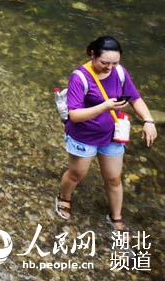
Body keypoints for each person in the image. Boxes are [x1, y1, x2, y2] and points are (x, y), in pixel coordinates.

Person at [56, 36, 157, 231]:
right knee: (77, 173)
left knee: (113, 178)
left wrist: (148, 120)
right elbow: (75, 115)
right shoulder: (79, 77)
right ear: (92, 55)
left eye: (115, 63)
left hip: (111, 134)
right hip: (83, 135)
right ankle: (64, 197)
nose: (109, 68)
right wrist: (105, 106)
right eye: (104, 62)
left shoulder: (119, 72)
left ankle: (116, 217)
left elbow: (135, 98)